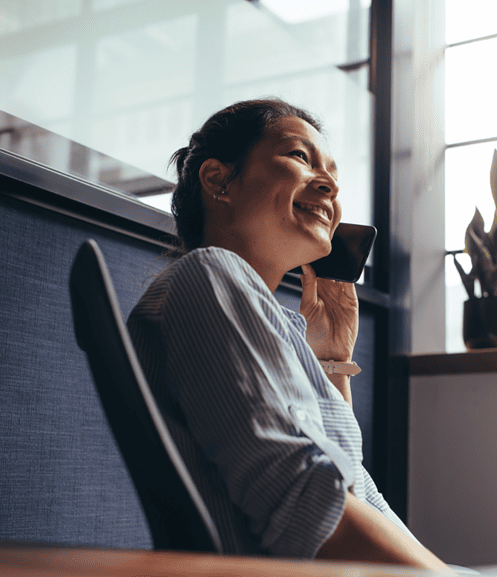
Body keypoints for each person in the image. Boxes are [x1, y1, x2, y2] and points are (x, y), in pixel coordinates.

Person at [127, 98, 451, 572]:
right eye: (301, 157)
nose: (330, 183)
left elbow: (349, 485)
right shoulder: (208, 276)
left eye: (332, 171)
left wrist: (331, 359)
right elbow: (313, 509)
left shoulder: (257, 314)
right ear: (218, 179)